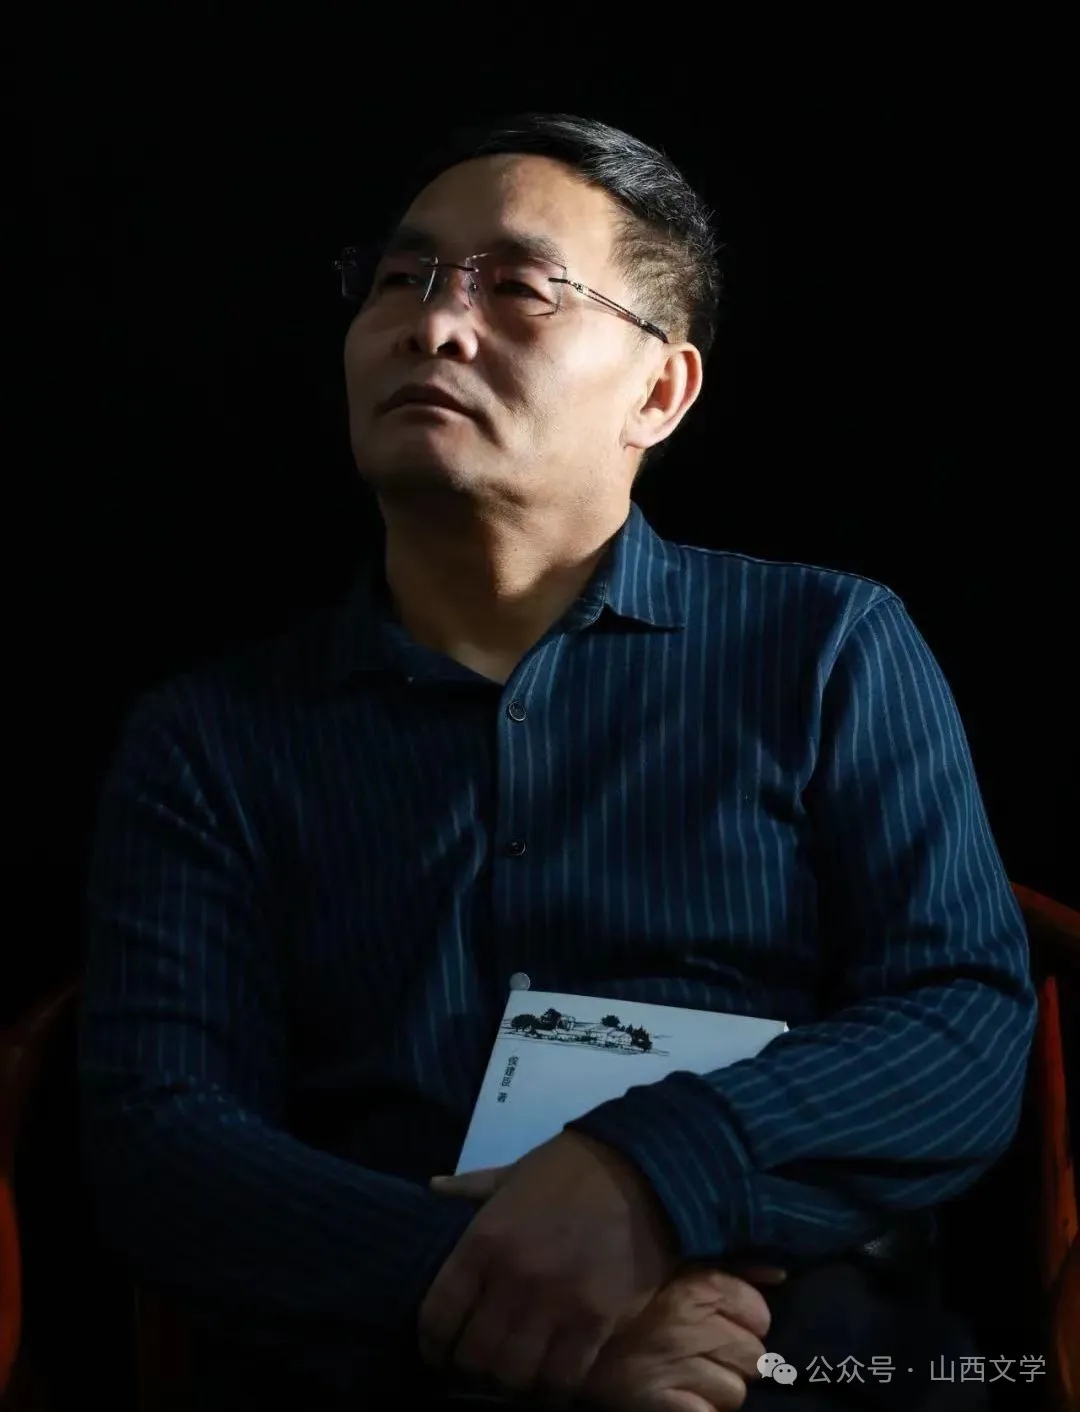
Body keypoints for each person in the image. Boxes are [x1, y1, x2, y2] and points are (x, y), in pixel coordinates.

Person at [78, 113, 1035, 1412]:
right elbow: (158, 1134)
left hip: (791, 1342)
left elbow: (963, 1021)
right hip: (389, 1343)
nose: (433, 324)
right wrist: (506, 1293)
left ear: (660, 392)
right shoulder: (210, 739)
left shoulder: (828, 647)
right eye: (401, 279)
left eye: (519, 288)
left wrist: (644, 1175)